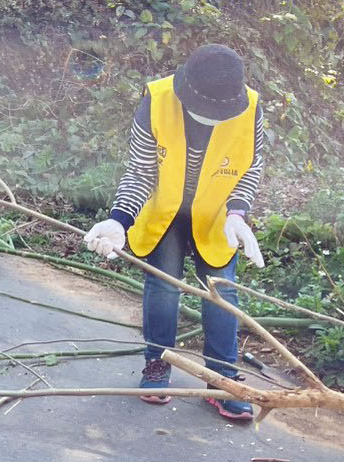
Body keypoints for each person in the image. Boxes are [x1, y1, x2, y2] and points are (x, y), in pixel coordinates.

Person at [83, 43, 267, 422]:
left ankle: (222, 382)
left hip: (216, 216)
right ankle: (157, 366)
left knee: (222, 293)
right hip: (165, 212)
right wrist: (120, 219)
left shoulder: (250, 107)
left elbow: (251, 166)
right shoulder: (157, 99)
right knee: (164, 287)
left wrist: (237, 214)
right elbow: (140, 171)